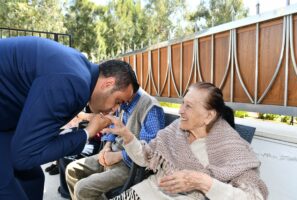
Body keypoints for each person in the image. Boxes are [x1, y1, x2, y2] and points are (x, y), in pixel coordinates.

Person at [0, 36, 139, 200]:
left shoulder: (80, 70)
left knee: (33, 180)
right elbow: (23, 156)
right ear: (108, 83)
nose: (115, 109)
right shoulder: (74, 82)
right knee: (9, 189)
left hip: (6, 120)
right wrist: (88, 132)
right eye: (118, 101)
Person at [103, 82, 268, 200]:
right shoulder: (176, 129)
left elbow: (252, 197)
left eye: (188, 106)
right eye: (182, 103)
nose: (180, 110)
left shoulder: (232, 147)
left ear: (209, 116)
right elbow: (145, 158)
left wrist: (203, 182)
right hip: (152, 189)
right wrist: (127, 136)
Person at [65, 87, 165, 200]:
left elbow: (148, 152)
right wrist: (106, 147)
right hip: (111, 154)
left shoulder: (150, 107)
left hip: (130, 165)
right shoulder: (123, 100)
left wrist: (118, 156)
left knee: (82, 188)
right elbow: (113, 126)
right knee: (71, 170)